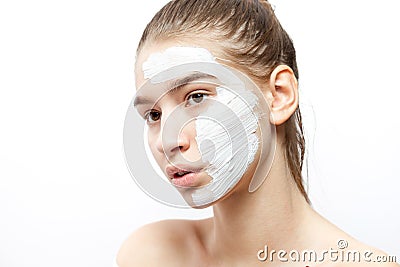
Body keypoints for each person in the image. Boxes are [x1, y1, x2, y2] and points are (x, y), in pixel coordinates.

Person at [117, 0, 399, 266]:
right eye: (153, 115)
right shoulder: (152, 255)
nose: (167, 141)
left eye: (197, 97)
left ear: (278, 96)